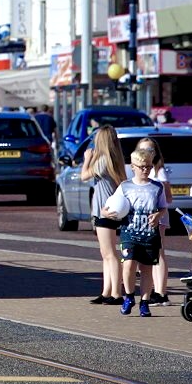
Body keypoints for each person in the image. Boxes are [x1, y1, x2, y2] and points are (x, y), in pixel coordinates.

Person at [103, 145, 168, 317]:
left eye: (149, 166)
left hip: (150, 234)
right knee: (129, 265)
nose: (146, 170)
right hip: (129, 232)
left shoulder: (157, 187)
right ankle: (129, 296)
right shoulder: (125, 187)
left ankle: (145, 302)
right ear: (133, 167)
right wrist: (105, 212)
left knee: (146, 269)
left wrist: (158, 215)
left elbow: (163, 208)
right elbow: (110, 205)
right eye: (142, 167)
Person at [79, 125, 126, 305]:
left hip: (104, 209)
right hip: (108, 208)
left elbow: (84, 175)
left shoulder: (102, 160)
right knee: (106, 253)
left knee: (109, 253)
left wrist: (87, 159)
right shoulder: (113, 159)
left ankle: (116, 293)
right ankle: (107, 291)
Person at [142, 138, 172, 305]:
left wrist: (157, 208)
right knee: (151, 253)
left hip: (158, 216)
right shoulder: (142, 171)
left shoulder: (159, 172)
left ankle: (161, 292)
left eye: (149, 150)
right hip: (145, 217)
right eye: (142, 150)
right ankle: (156, 289)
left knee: (158, 252)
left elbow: (168, 198)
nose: (146, 153)